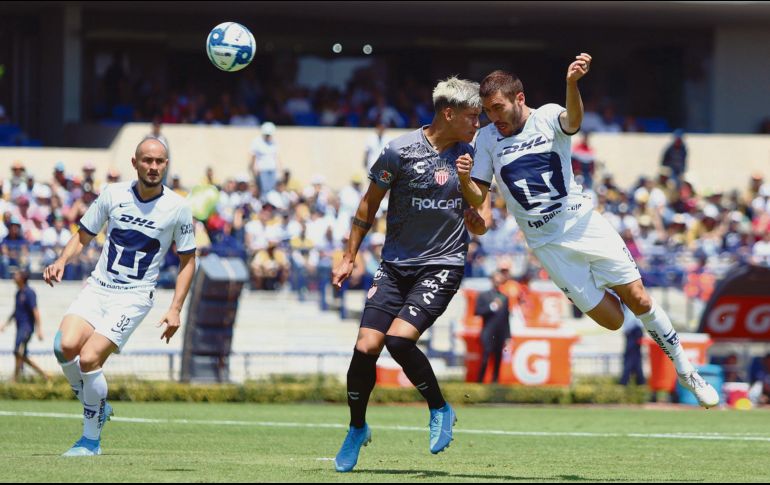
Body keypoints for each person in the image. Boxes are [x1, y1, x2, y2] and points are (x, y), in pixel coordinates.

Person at [461, 53, 719, 408]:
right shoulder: (487, 139)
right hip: (547, 246)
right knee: (613, 321)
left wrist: (571, 84)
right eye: (488, 110)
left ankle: (685, 368)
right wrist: (465, 184)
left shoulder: (549, 115)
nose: (493, 117)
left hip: (582, 224)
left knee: (639, 297)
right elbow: (480, 194)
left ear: (519, 99)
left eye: (498, 107)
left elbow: (574, 120)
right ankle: (645, 321)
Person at [331, 76, 489, 473]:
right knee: (366, 346)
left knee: (399, 342)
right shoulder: (398, 151)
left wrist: (468, 183)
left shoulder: (472, 153)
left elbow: (482, 218)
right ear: (448, 113)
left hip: (443, 263)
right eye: (472, 116)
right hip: (396, 265)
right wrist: (349, 256)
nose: (478, 124)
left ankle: (440, 408)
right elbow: (368, 205)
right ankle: (356, 428)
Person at [44, 136, 197, 457]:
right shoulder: (112, 195)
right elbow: (83, 235)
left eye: (159, 162)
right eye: (147, 160)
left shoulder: (178, 208)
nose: (153, 167)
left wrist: (175, 309)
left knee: (89, 359)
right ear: (135, 162)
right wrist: (61, 261)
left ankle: (90, 440)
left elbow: (188, 261)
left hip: (134, 296)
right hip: (98, 287)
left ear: (166, 165)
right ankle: (96, 402)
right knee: (63, 346)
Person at [1, 270, 48, 382]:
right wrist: (5, 324)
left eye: (16, 275)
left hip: (26, 327)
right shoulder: (18, 293)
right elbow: (15, 311)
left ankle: (15, 378)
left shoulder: (29, 292)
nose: (14, 276)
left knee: (17, 351)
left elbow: (35, 311)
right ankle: (44, 375)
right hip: (19, 328)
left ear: (22, 278)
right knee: (21, 354)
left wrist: (39, 329)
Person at [474, 270, 511, 383]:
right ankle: (479, 382)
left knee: (498, 359)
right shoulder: (483, 295)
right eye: (496, 280)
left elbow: (506, 318)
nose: (498, 282)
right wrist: (491, 307)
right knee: (485, 357)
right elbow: (477, 311)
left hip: (500, 333)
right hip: (488, 331)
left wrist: (508, 336)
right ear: (492, 280)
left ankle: (495, 383)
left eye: (500, 280)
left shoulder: (504, 298)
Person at [249, 121, 279, 195]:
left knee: (272, 189)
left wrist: (278, 169)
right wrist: (254, 167)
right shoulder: (257, 141)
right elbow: (253, 156)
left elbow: (275, 156)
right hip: (262, 169)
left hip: (272, 168)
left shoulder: (273, 142)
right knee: (264, 189)